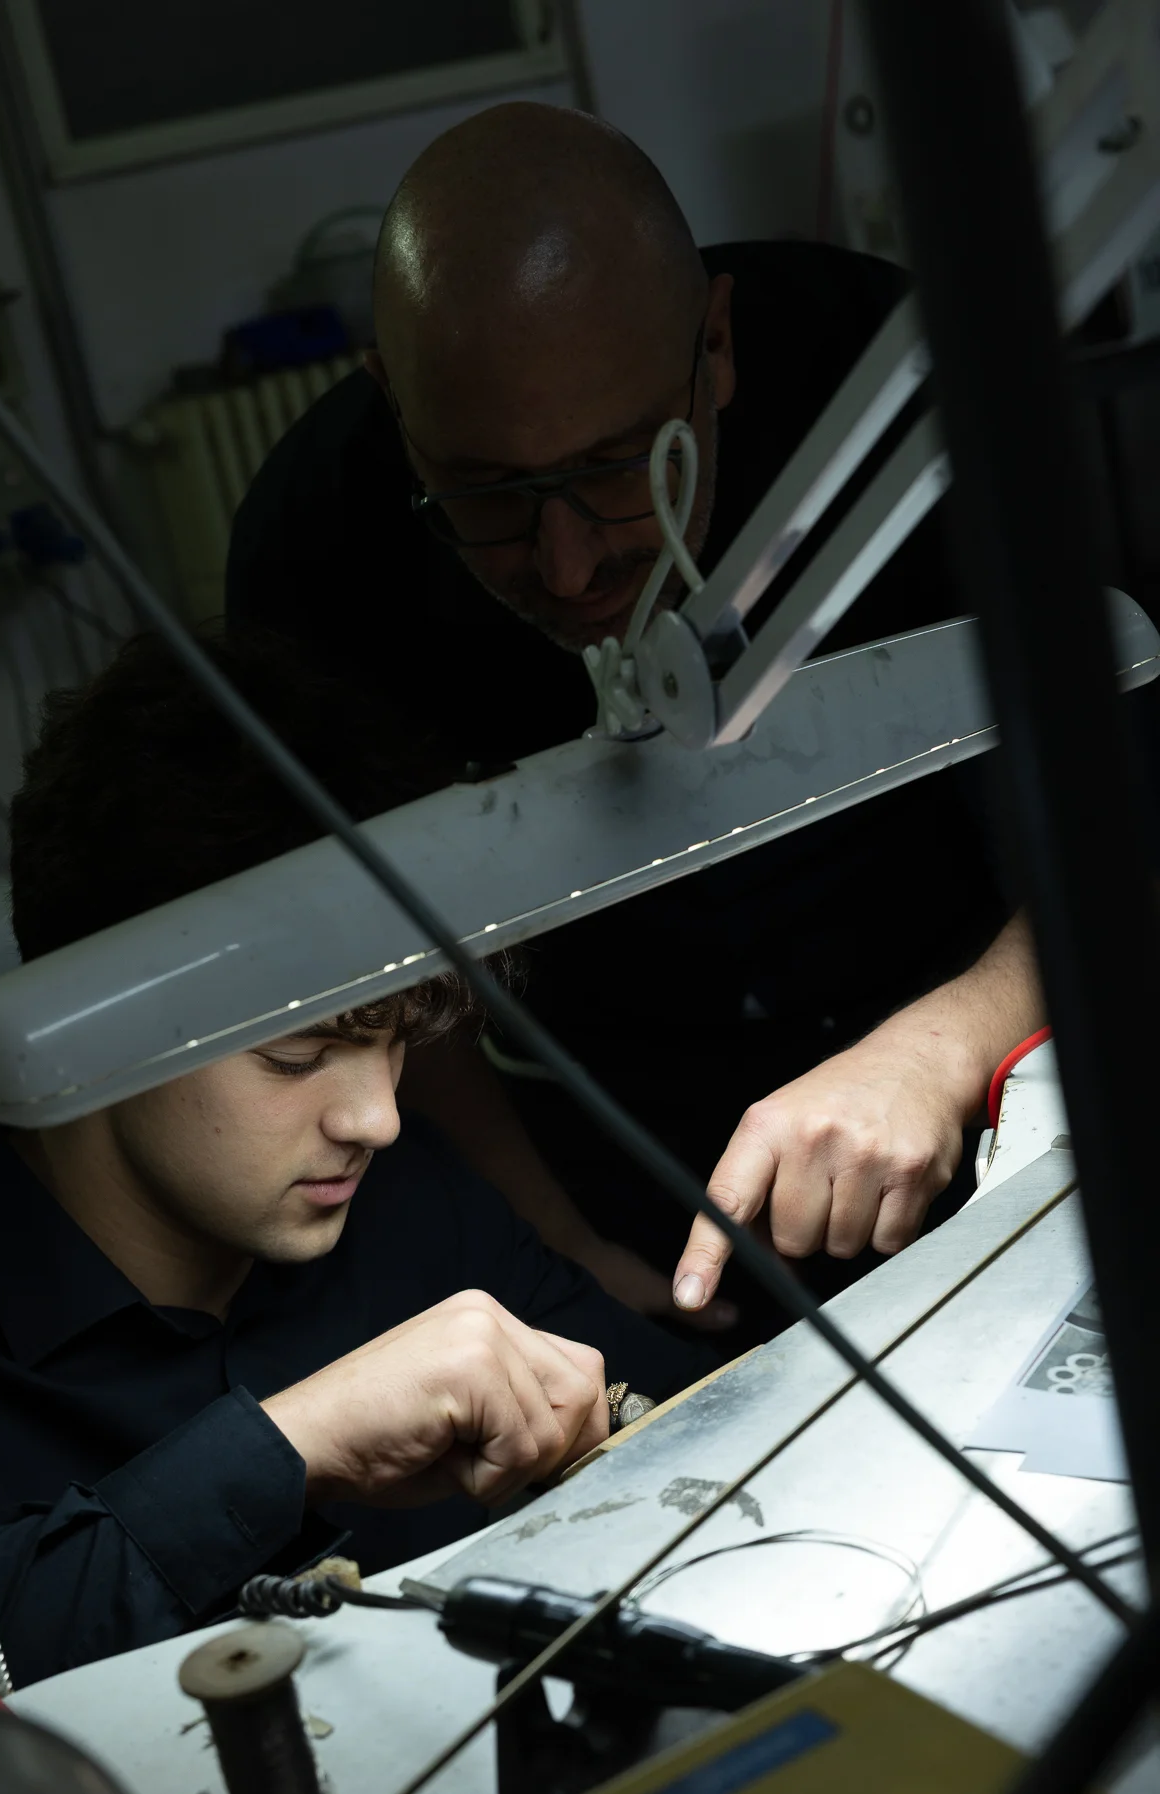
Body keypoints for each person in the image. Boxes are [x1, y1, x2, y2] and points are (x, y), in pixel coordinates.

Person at [227, 101, 1039, 1343]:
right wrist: (553, 1248)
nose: (564, 567)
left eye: (617, 469)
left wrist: (944, 1048)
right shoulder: (320, 545)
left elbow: (1123, 794)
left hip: (997, 1039)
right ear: (395, 405)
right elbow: (378, 960)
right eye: (490, 495)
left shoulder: (889, 394)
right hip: (606, 1150)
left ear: (713, 349)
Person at [0, 630, 705, 1692]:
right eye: (298, 1055)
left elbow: (687, 1426)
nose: (376, 1118)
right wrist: (284, 1452)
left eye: (396, 1038)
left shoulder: (407, 1206)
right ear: (83, 1028)